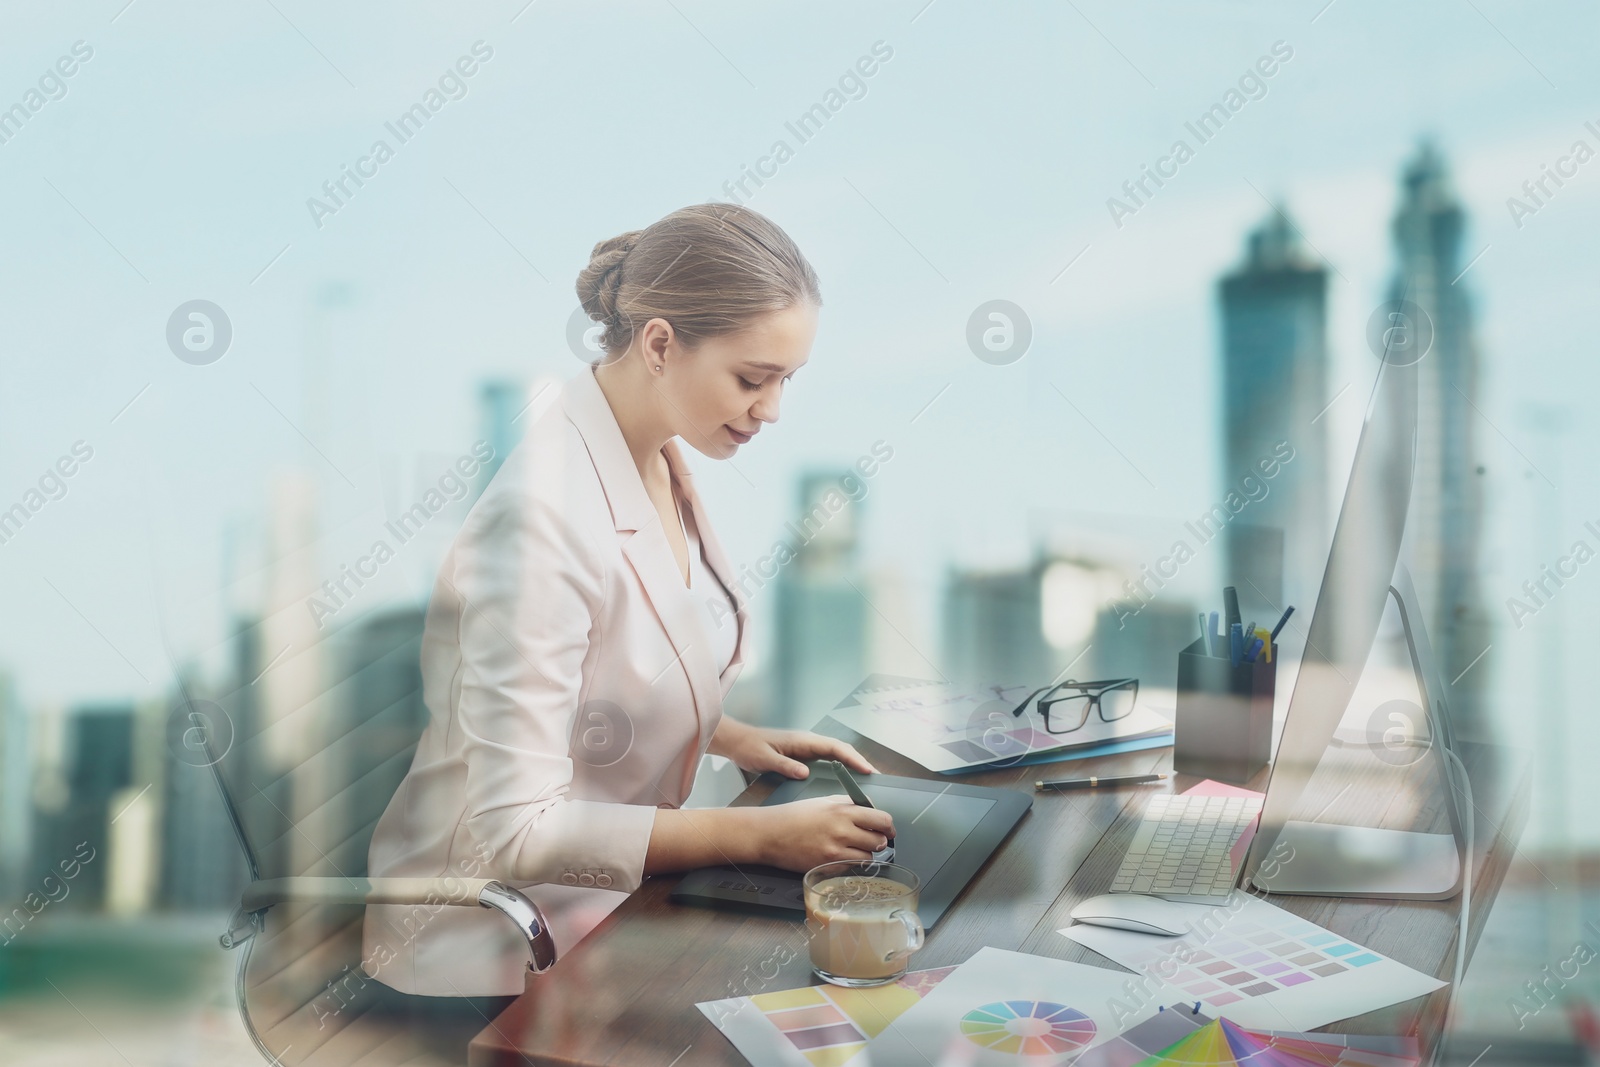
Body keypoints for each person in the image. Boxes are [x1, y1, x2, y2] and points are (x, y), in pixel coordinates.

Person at [362, 203, 897, 1003]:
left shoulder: (650, 454)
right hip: (494, 954)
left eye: (787, 379)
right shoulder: (540, 522)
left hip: (611, 908)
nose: (773, 408)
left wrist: (730, 734)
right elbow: (514, 831)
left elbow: (609, 668)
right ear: (658, 343)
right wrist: (752, 834)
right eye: (753, 378)